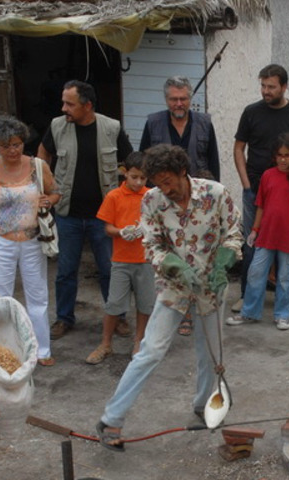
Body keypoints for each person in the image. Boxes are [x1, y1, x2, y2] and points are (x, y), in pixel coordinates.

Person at [95, 145, 242, 450]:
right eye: (158, 182)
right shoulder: (152, 201)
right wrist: (174, 265)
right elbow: (152, 246)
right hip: (174, 286)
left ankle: (204, 406)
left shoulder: (216, 194)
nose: (165, 189)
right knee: (151, 351)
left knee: (211, 353)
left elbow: (234, 232)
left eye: (169, 181)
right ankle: (111, 419)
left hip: (212, 286)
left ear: (182, 172)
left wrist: (225, 260)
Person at [38, 80, 133, 340]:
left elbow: (129, 160)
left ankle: (118, 317)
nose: (64, 108)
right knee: (66, 271)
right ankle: (64, 318)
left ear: (87, 105)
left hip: (102, 217)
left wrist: (121, 190)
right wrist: (44, 185)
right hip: (68, 214)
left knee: (109, 270)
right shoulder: (58, 126)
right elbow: (43, 153)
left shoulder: (111, 127)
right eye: (64, 102)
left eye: (69, 103)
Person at [0, 115, 61, 367]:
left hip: (33, 240)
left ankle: (41, 350)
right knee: (0, 299)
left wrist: (49, 201)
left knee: (38, 297)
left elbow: (55, 191)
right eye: (5, 145)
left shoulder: (37, 166)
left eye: (16, 144)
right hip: (0, 240)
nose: (12, 150)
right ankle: (2, 351)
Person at [140, 75, 222, 337]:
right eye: (174, 99)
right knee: (172, 254)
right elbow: (144, 160)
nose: (179, 103)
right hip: (167, 203)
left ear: (190, 99)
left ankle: (196, 309)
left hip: (197, 202)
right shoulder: (153, 122)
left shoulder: (204, 122)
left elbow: (213, 161)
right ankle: (177, 310)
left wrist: (213, 202)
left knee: (197, 256)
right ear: (166, 100)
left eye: (184, 98)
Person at [232, 64, 289, 311]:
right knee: (252, 243)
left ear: (284, 86)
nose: (266, 91)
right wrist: (246, 184)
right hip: (256, 188)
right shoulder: (251, 112)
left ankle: (286, 295)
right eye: (263, 86)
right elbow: (238, 148)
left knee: (286, 241)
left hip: (288, 192)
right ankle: (247, 295)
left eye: (271, 87)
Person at [227, 133, 289, 331]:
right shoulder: (268, 176)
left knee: (284, 277)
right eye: (279, 155)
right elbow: (261, 206)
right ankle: (249, 312)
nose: (283, 159)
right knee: (256, 272)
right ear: (274, 156)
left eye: (287, 155)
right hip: (266, 236)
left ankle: (283, 315)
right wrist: (254, 230)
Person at [85, 151, 154, 364]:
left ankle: (139, 341)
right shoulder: (114, 196)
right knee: (114, 303)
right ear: (125, 173)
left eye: (143, 177)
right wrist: (122, 231)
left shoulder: (151, 195)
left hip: (146, 260)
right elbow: (107, 228)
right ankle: (105, 343)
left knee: (145, 304)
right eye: (134, 177)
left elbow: (158, 224)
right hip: (121, 260)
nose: (138, 182)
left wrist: (145, 229)